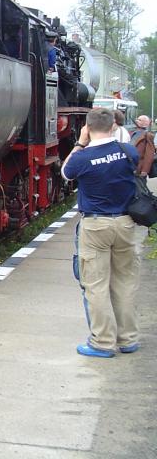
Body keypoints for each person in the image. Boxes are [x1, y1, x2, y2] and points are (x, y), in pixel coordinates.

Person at [61, 108, 140, 357]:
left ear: (87, 127)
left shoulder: (82, 158)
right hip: (126, 224)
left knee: (95, 285)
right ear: (114, 127)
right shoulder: (128, 152)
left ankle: (102, 342)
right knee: (124, 282)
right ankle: (128, 339)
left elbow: (65, 172)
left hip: (96, 225)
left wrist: (80, 142)